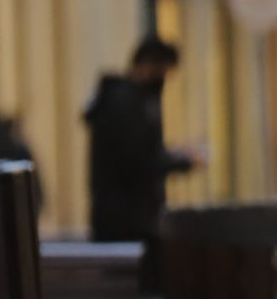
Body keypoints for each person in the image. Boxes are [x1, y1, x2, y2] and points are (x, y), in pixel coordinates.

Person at [84, 36, 197, 247]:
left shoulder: (128, 101)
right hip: (126, 222)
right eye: (163, 71)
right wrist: (178, 161)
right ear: (147, 65)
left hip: (124, 218)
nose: (163, 80)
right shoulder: (126, 104)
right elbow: (137, 160)